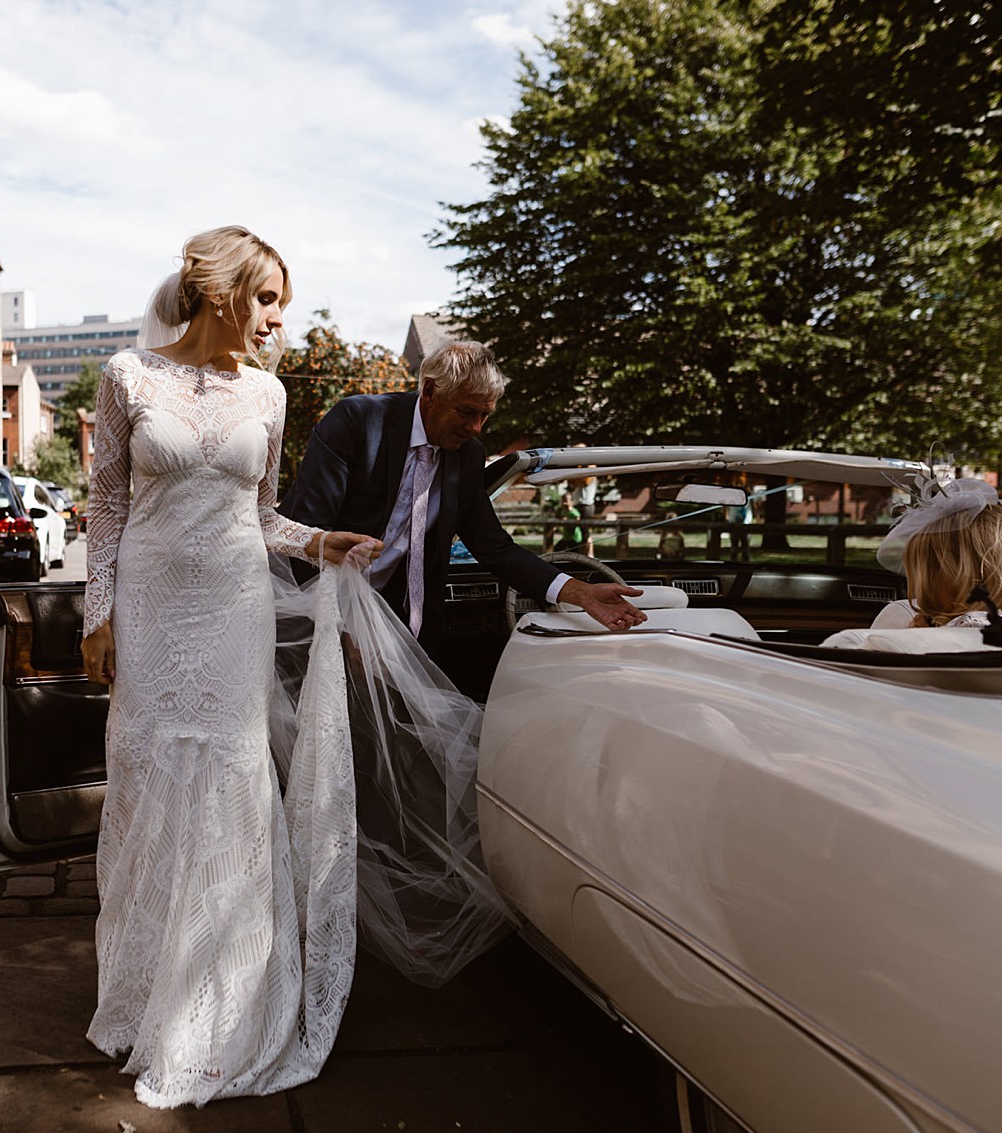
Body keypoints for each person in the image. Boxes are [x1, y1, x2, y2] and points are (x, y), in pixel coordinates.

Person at [77, 226, 380, 1109]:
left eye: (281, 302)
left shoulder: (272, 395)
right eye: (269, 298)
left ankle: (221, 1005)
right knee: (146, 781)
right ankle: (140, 997)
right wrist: (98, 615)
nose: (278, 319)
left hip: (234, 614)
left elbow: (264, 514)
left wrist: (320, 541)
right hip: (152, 605)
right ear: (221, 292)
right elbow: (105, 504)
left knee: (231, 784)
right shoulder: (128, 377)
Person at [280, 340, 646, 648]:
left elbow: (495, 548)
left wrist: (580, 592)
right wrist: (341, 626)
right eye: (466, 412)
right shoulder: (357, 421)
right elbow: (310, 533)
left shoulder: (468, 456)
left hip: (401, 628)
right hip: (306, 608)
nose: (475, 428)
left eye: (485, 415)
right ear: (429, 392)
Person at [867, 478, 1002, 630]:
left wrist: (912, 639)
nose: (921, 593)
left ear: (955, 575)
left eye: (926, 576)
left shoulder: (962, 630)